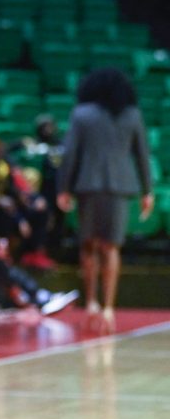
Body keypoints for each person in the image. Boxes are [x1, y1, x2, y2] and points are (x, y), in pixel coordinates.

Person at [57, 68, 154, 333]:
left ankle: (91, 302)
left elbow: (71, 154)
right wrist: (148, 190)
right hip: (121, 188)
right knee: (111, 248)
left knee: (88, 246)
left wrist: (63, 188)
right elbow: (142, 155)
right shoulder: (133, 115)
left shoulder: (82, 114)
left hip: (88, 187)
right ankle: (110, 308)